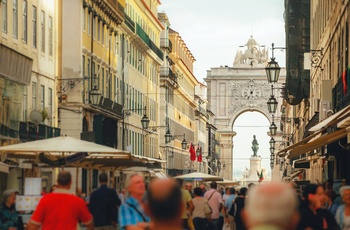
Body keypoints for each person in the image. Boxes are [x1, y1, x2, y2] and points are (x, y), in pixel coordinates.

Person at [27, 171, 93, 230]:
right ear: (70, 183)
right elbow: (89, 222)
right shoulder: (77, 201)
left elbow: (34, 225)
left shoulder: (45, 200)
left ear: (57, 182)